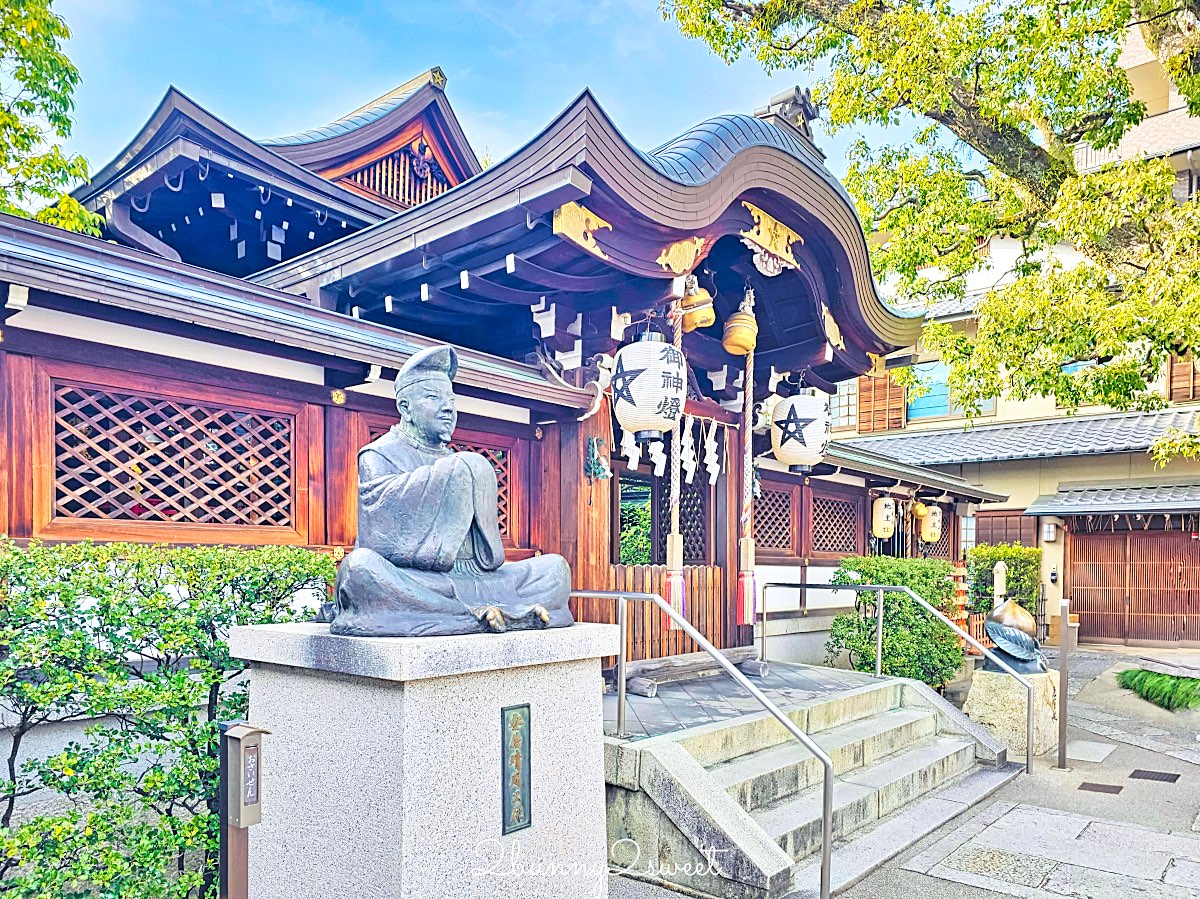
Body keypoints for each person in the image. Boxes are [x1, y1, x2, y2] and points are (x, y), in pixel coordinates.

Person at [330, 345, 573, 637]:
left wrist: (460, 473)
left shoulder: (454, 460)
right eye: (434, 398)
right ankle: (472, 616)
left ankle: (483, 613)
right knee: (360, 569)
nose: (448, 408)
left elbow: (489, 557)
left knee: (555, 569)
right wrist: (454, 475)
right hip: (422, 581)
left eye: (451, 400)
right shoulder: (379, 455)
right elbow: (378, 540)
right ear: (405, 407)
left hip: (475, 579)